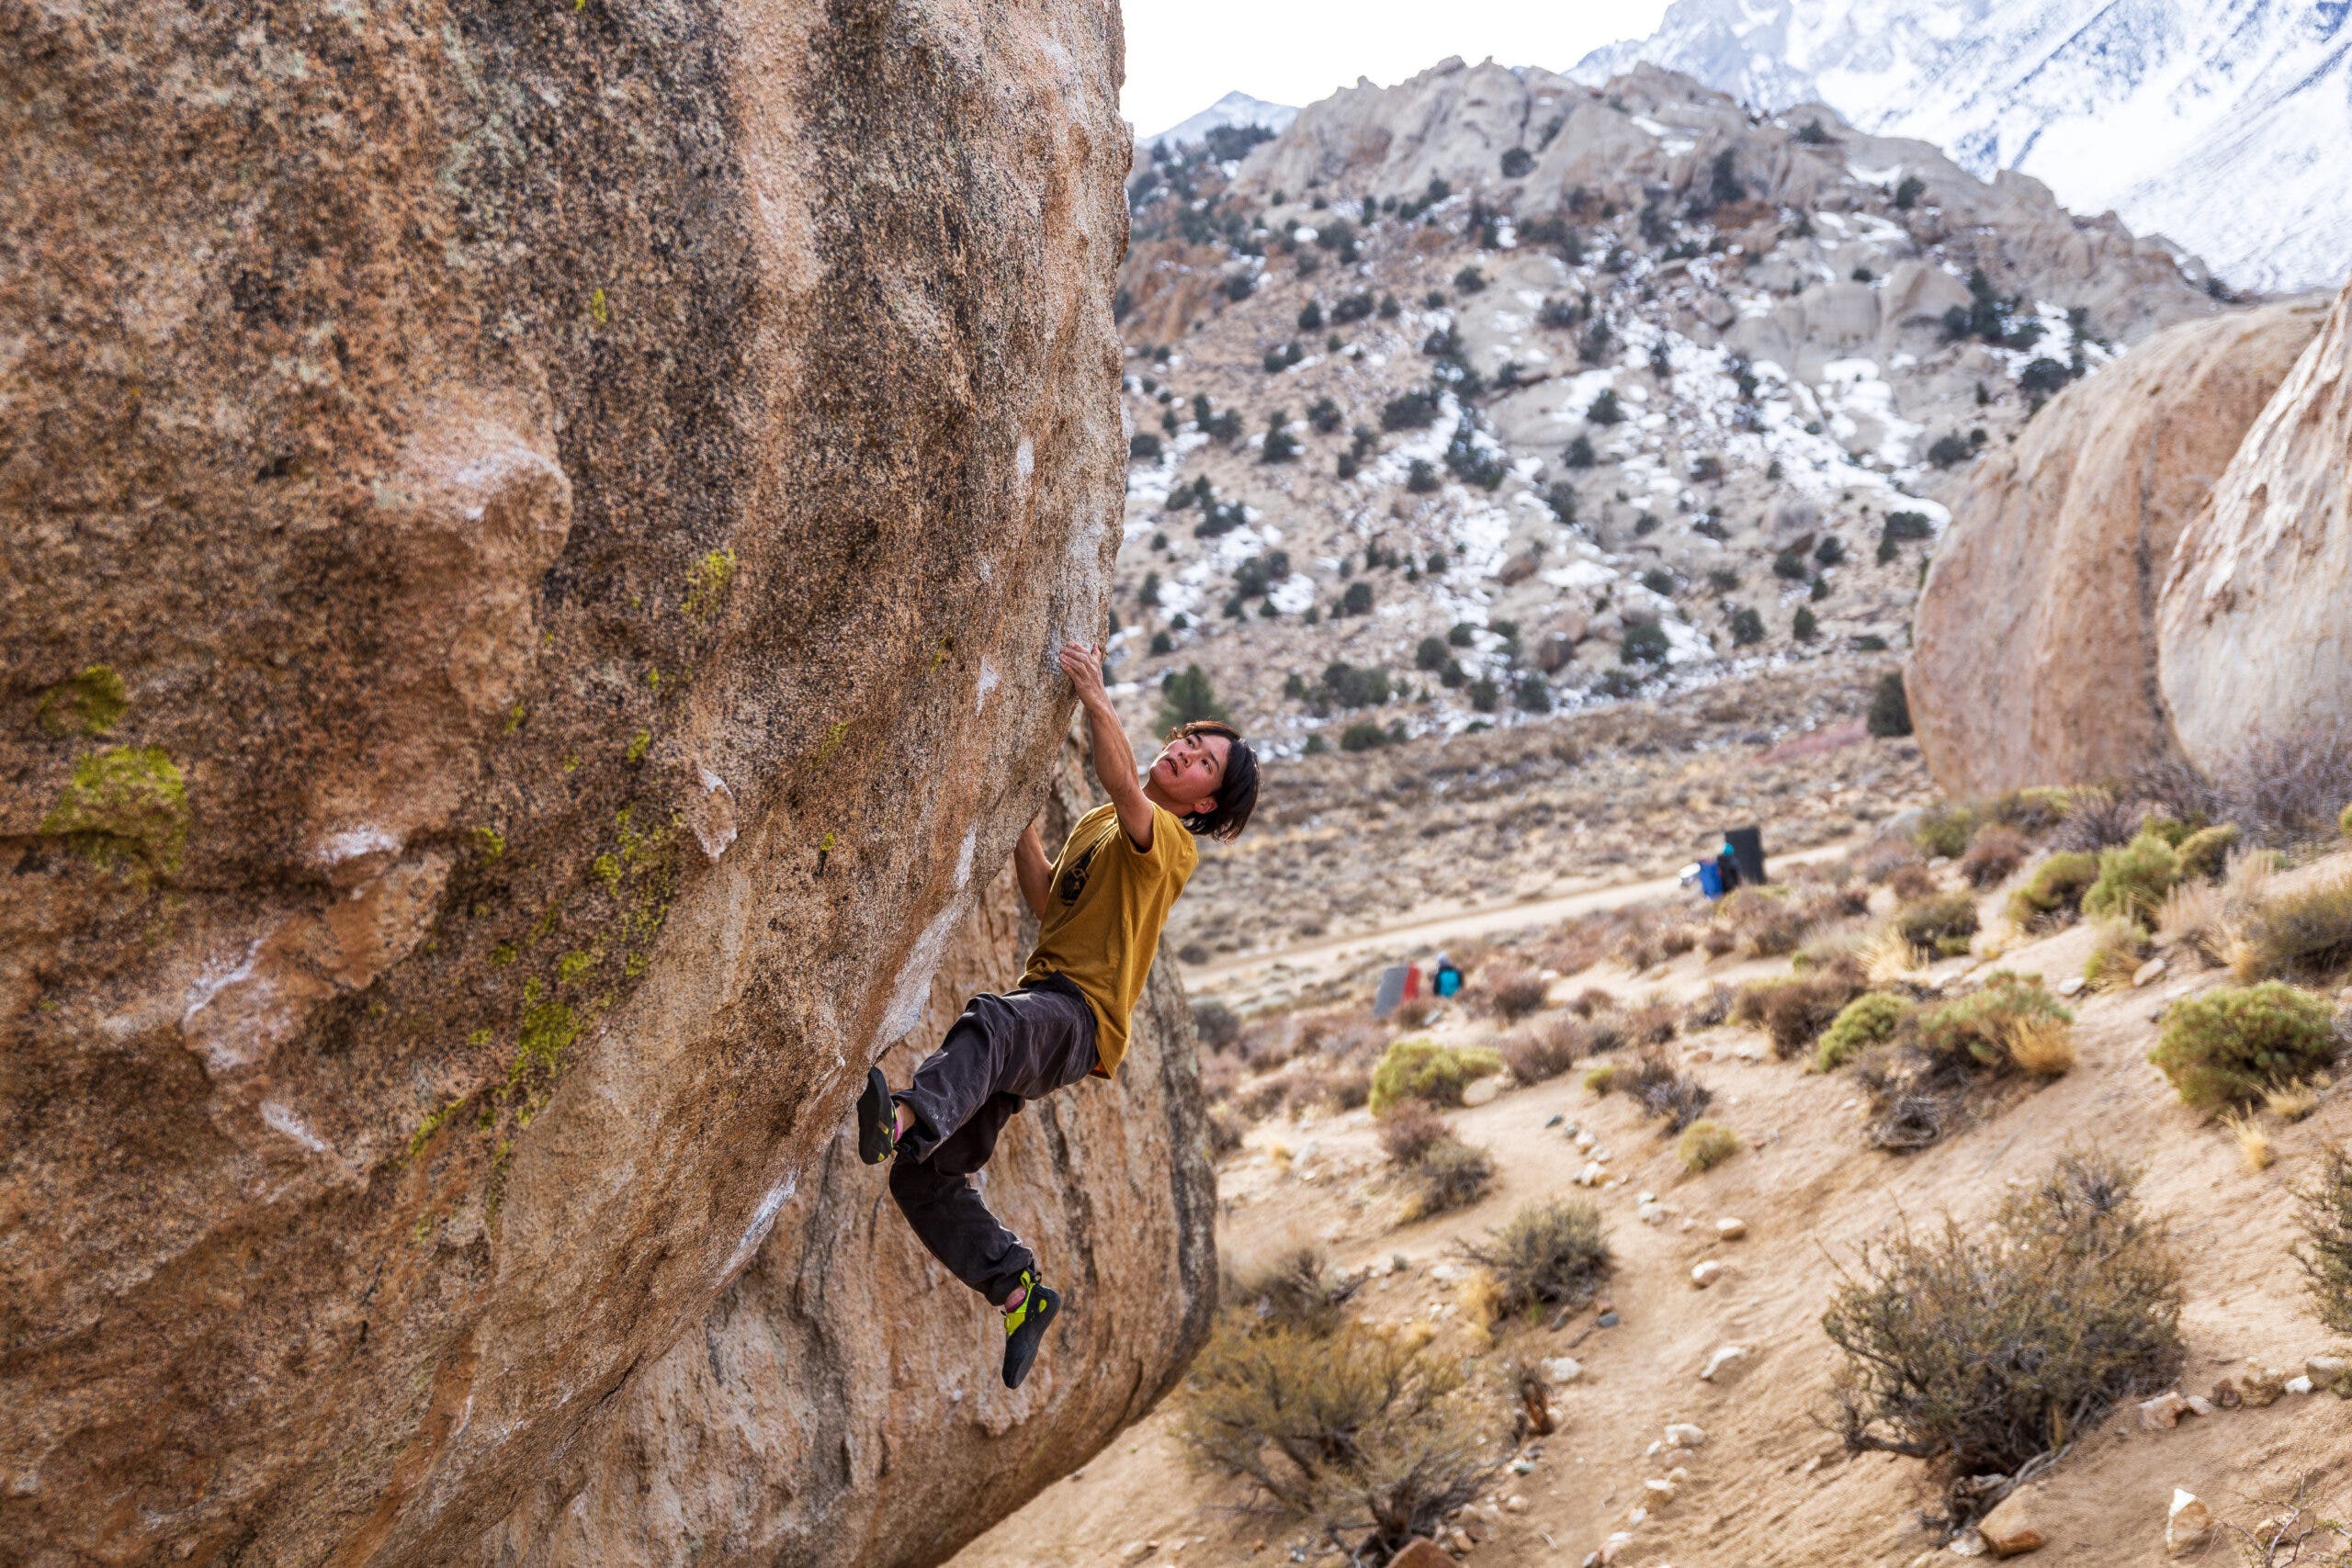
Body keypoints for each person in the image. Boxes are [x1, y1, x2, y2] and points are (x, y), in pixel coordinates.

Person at [855, 640, 1260, 1389]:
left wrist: (1095, 697)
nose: (1182, 752)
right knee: (925, 1179)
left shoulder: (1169, 842)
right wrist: (1017, 819)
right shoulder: (1101, 824)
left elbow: (1121, 782)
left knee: (995, 1022)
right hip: (1051, 1003)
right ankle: (1017, 1289)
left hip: (1079, 1017)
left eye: (1201, 759)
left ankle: (904, 1116)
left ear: (1205, 802)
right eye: (1186, 740)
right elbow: (1049, 901)